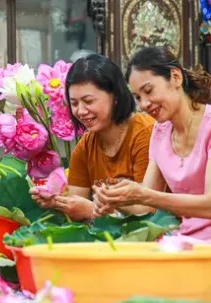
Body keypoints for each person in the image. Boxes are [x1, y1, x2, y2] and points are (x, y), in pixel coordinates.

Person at [93, 46, 211, 294]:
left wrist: (143, 195)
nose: (144, 104)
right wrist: (118, 199)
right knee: (115, 266)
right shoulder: (159, 134)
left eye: (148, 91)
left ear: (175, 78)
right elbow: (145, 205)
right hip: (184, 242)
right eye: (138, 97)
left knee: (153, 280)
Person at [30, 54, 155, 221]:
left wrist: (94, 211)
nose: (80, 111)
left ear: (115, 97)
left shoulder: (146, 133)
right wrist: (57, 201)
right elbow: (77, 202)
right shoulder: (85, 146)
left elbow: (147, 211)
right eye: (74, 103)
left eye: (88, 101)